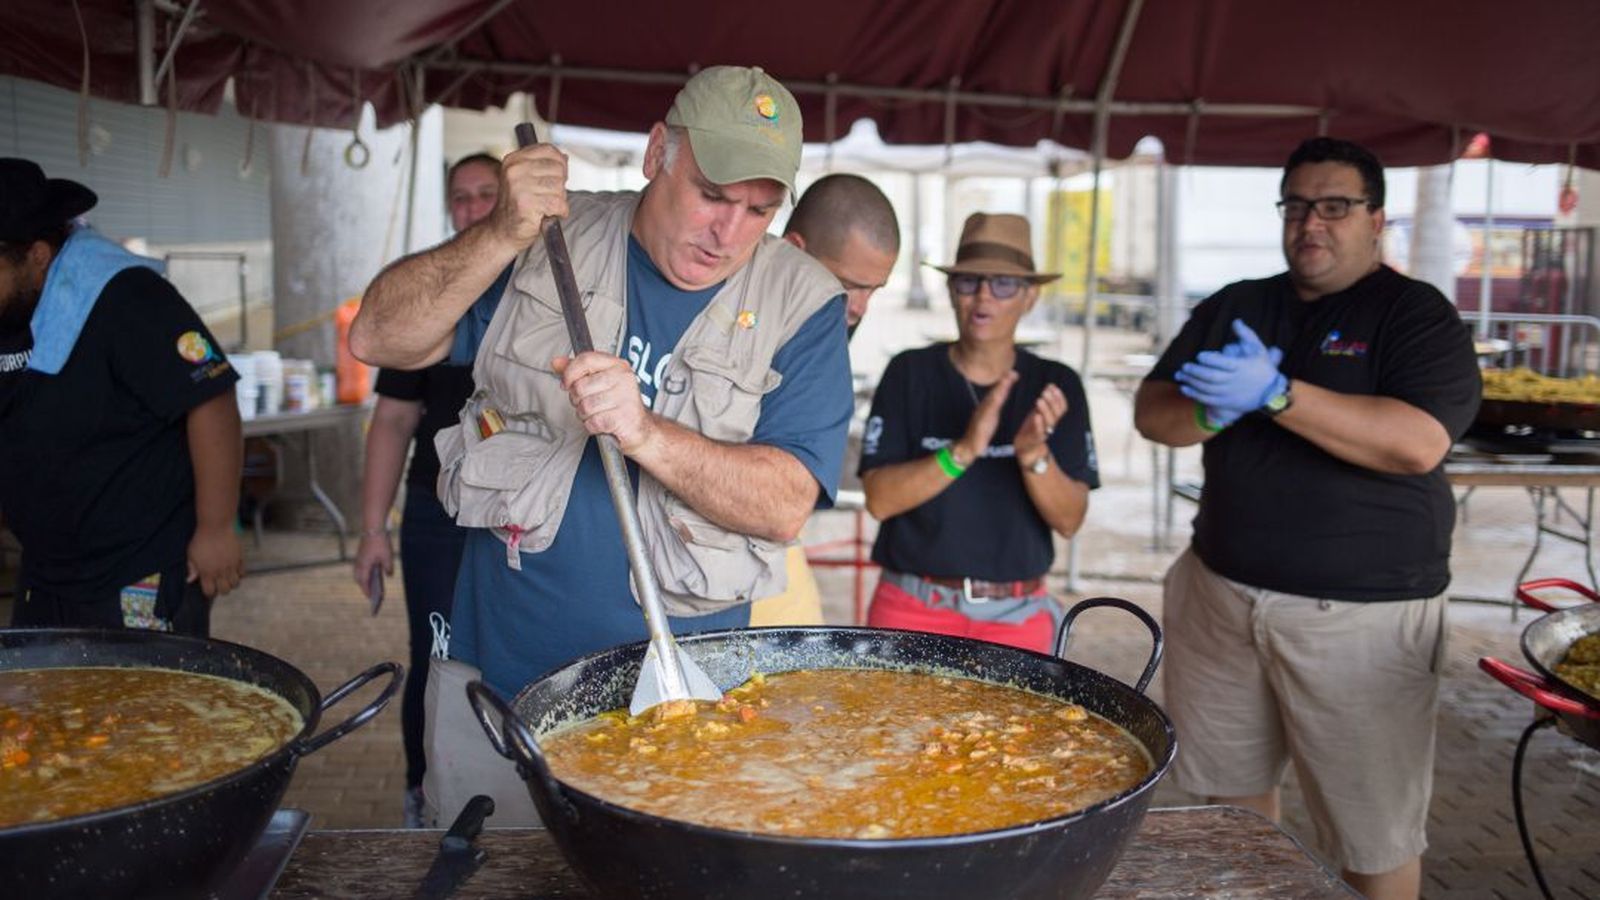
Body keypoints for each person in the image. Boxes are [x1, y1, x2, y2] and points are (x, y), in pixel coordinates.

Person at [350, 66, 853, 821]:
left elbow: (784, 505)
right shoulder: (546, 244)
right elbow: (377, 333)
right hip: (503, 682)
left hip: (681, 707)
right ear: (658, 154)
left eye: (759, 209)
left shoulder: (802, 303)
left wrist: (646, 431)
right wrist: (497, 233)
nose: (729, 233)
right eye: (713, 195)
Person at [1132, 137, 1480, 900]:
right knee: (1232, 811)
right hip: (1220, 594)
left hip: (1361, 618)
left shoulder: (1415, 315)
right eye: (1296, 205)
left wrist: (1278, 393)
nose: (1310, 224)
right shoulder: (1237, 303)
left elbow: (1418, 443)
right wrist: (1210, 409)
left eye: (1334, 206)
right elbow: (1155, 415)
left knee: (1371, 833)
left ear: (1377, 218)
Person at [0, 158, 243, 635]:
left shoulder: (128, 297)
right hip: (48, 572)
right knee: (40, 704)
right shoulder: (11, 307)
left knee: (143, 706)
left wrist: (217, 527)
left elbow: (210, 398)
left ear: (37, 255)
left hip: (139, 572)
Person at [857, 212, 1096, 652]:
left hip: (1017, 614)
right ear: (951, 290)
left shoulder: (1056, 385)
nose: (983, 295)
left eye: (1003, 284)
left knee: (1020, 726)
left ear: (1030, 296)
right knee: (896, 723)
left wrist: (1033, 456)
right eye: (968, 281)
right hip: (912, 605)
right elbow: (879, 499)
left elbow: (1069, 520)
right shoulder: (910, 372)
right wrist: (963, 450)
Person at [350, 152, 502, 827]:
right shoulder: (426, 294)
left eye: (486, 195)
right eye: (460, 198)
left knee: (512, 652)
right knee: (437, 656)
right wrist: (372, 530)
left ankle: (516, 791)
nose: (471, 209)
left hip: (520, 514)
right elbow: (392, 420)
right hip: (437, 511)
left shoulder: (544, 287)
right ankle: (424, 794)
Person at [750, 173, 899, 626]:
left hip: (778, 562)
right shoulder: (734, 309)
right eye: (850, 284)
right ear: (795, 250)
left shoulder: (825, 326)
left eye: (874, 289)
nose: (861, 307)